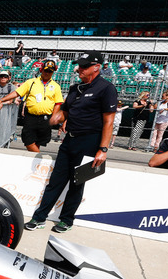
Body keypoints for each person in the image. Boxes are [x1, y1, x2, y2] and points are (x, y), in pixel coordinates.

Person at [24, 51, 117, 233]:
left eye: (84, 66)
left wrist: (103, 149)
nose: (79, 69)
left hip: (90, 142)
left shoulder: (106, 88)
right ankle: (39, 217)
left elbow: (109, 121)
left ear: (96, 67)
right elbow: (63, 113)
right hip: (69, 140)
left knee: (77, 184)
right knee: (55, 182)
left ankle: (66, 220)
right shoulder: (75, 89)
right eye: (79, 65)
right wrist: (53, 119)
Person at [0, 60, 63, 153]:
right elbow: (17, 93)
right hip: (31, 117)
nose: (47, 73)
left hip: (45, 118)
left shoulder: (56, 86)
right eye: (46, 70)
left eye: (50, 71)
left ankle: (35, 162)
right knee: (28, 141)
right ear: (41, 70)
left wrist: (54, 117)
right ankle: (39, 158)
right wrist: (1, 100)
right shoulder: (31, 82)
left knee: (38, 141)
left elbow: (58, 103)